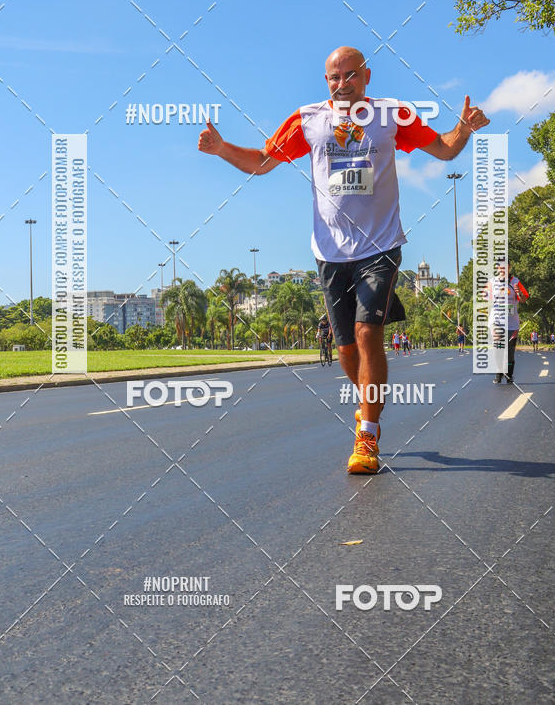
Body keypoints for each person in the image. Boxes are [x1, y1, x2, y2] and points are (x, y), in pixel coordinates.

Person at [198, 45, 489, 472]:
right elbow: (262, 162)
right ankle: (367, 403)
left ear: (367, 76)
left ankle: (367, 438)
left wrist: (463, 128)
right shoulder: (307, 119)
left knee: (368, 333)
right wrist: (222, 148)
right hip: (330, 252)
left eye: (350, 76)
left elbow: (444, 150)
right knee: (346, 349)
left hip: (381, 246)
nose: (341, 85)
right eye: (333, 78)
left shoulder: (393, 115)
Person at [489, 262, 529, 384]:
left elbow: (524, 299)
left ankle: (509, 374)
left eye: (505, 267)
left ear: (509, 267)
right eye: (500, 267)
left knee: (510, 350)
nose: (502, 270)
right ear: (497, 268)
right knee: (498, 347)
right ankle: (499, 372)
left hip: (512, 322)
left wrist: (518, 292)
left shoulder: (516, 281)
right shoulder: (492, 282)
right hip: (496, 320)